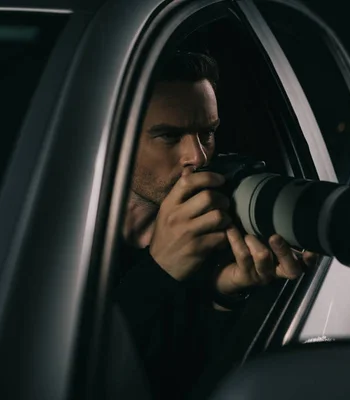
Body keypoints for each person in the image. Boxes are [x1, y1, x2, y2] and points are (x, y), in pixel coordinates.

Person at [114, 51, 318, 399]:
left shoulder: (231, 220)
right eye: (168, 136)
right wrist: (157, 272)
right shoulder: (57, 244)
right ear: (113, 139)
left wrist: (225, 294)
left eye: (207, 132)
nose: (198, 156)